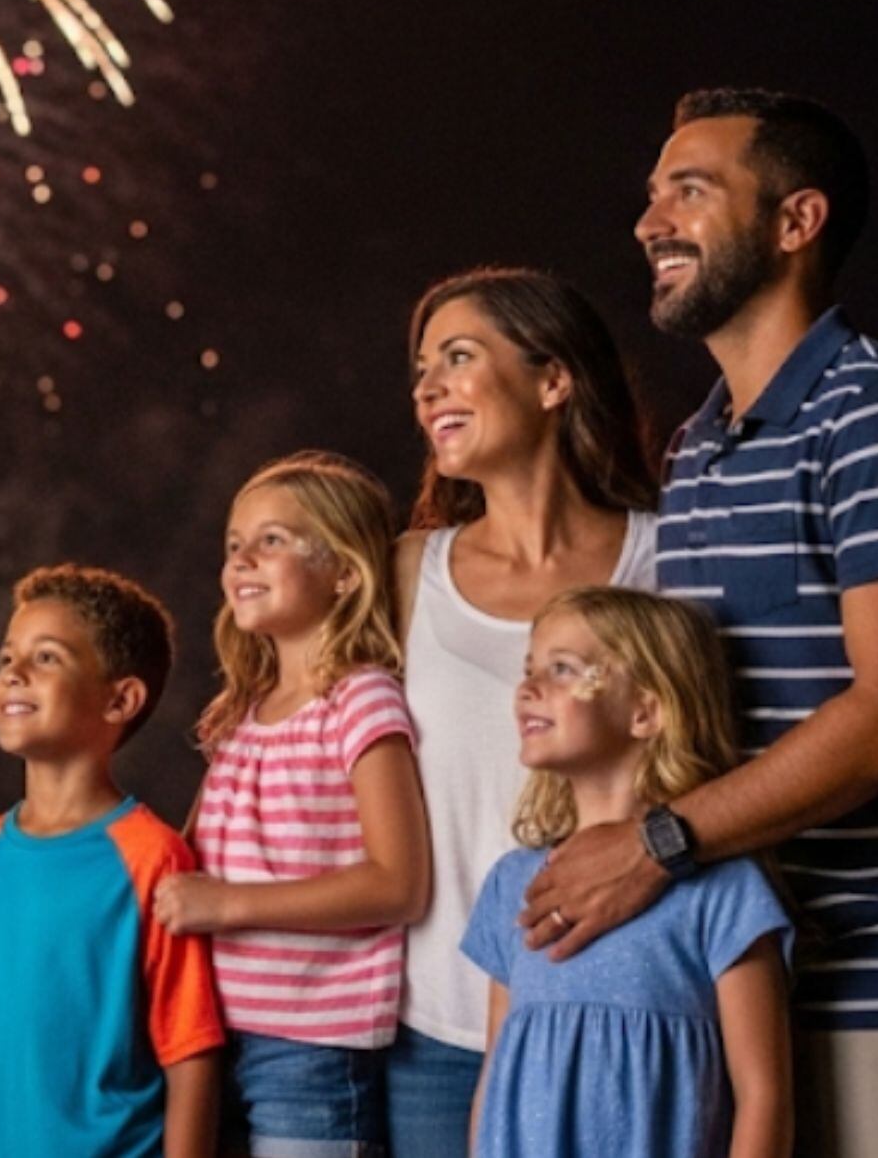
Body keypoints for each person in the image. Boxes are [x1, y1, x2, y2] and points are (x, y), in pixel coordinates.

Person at [520, 89, 878, 1157]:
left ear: (796, 222)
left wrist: (660, 844)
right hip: (744, 993)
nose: (649, 221)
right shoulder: (699, 453)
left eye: (691, 190)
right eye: (653, 194)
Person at [386, 269, 662, 1156]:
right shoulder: (403, 573)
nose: (427, 388)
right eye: (422, 368)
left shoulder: (666, 558)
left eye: (458, 358)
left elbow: (757, 738)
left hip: (619, 1018)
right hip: (430, 1037)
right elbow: (281, 737)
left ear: (553, 381)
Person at [152, 452, 431, 1157]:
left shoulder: (360, 700)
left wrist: (229, 905)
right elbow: (180, 865)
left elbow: (398, 884)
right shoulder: (240, 712)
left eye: (271, 540)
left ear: (343, 570)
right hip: (208, 1035)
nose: (241, 560)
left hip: (311, 1053)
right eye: (233, 545)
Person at [463, 586, 791, 1158]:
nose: (528, 688)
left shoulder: (724, 890)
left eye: (562, 669)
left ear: (645, 710)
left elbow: (764, 1097)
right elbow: (496, 1075)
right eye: (529, 668)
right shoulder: (511, 884)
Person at [0, 564, 224, 1158]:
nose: (14, 675)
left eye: (47, 658)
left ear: (120, 699)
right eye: (7, 659)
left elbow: (191, 1055)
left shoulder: (153, 858)